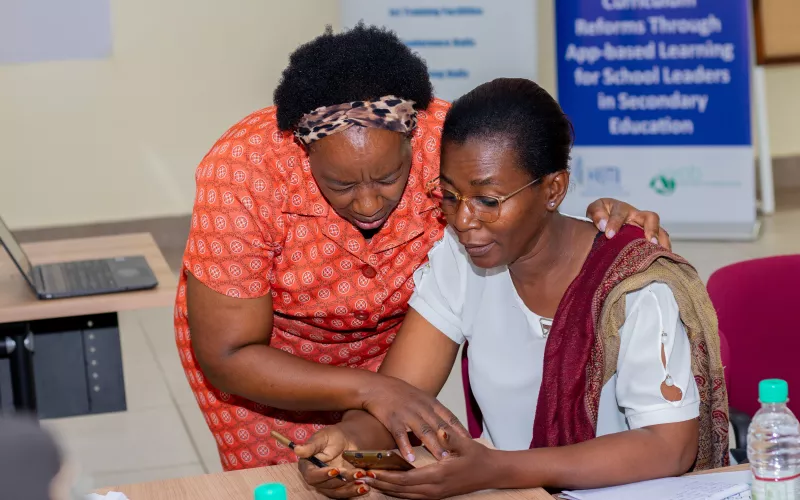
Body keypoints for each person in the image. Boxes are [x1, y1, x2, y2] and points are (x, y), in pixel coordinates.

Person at [176, 24, 671, 471]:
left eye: (390, 177)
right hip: (266, 364)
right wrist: (372, 390)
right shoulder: (245, 170)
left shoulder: (446, 142)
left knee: (373, 468)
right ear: (304, 156)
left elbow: (527, 198)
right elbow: (229, 351)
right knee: (289, 480)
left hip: (405, 343)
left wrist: (609, 219)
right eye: (340, 185)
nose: (368, 203)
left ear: (415, 143)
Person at [296, 78, 729, 499]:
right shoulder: (460, 261)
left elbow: (669, 447)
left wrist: (499, 469)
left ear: (553, 189)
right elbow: (400, 393)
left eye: (488, 200)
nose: (464, 220)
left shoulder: (632, 285)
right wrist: (342, 441)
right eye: (449, 195)